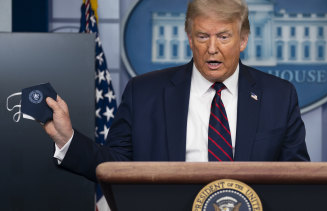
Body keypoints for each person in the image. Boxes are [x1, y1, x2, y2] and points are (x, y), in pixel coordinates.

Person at [44, 0, 310, 182]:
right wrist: (67, 138)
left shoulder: (279, 96)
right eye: (203, 36)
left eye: (224, 37)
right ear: (189, 39)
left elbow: (298, 177)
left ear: (243, 40)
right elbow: (115, 165)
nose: (212, 48)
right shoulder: (144, 92)